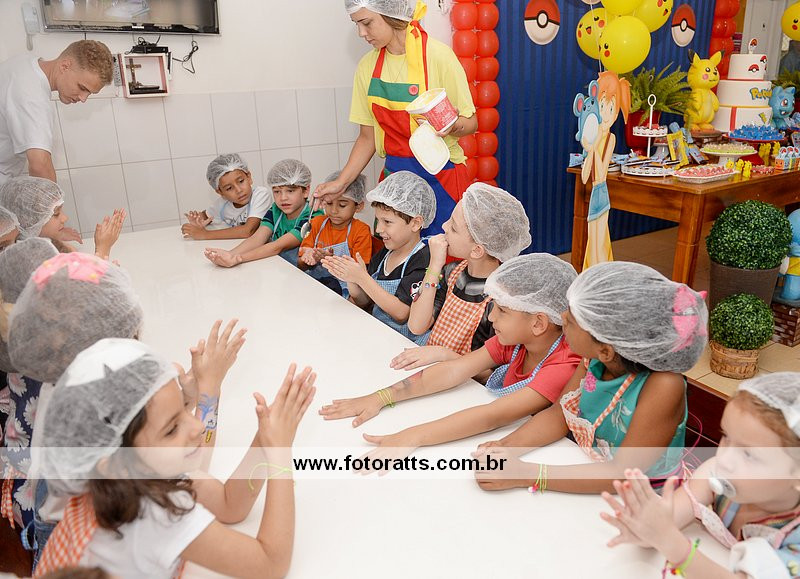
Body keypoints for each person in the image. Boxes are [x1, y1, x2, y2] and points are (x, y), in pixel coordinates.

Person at [33, 339, 316, 578]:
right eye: (171, 429)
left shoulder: (128, 477)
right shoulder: (153, 514)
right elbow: (270, 565)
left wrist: (265, 440)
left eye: (184, 408)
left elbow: (231, 505)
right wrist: (280, 452)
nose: (198, 426)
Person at [473, 261, 708, 494]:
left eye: (572, 321)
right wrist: (504, 447)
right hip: (590, 470)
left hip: (645, 498)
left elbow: (622, 474)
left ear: (606, 350)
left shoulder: (664, 386)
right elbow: (558, 415)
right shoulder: (592, 360)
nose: (562, 316)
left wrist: (527, 474)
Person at [320, 254, 581, 457]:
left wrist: (414, 436)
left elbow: (493, 416)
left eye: (502, 311)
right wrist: (381, 397)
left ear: (538, 323)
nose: (491, 317)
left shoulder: (564, 365)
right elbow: (453, 370)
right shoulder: (516, 340)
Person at [602, 373, 800, 579]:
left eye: (749, 454)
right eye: (726, 437)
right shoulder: (716, 474)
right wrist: (643, 528)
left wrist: (672, 544)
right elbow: (664, 524)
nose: (724, 459)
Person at [314, 0, 477, 236]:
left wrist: (451, 126)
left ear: (390, 14)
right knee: (397, 254)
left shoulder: (438, 57)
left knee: (444, 252)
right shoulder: (367, 67)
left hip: (442, 179)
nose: (361, 33)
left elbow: (471, 123)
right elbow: (367, 137)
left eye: (366, 23)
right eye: (356, 24)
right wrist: (341, 183)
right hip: (396, 181)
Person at [392, 183, 532, 371]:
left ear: (477, 250)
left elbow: (490, 374)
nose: (444, 226)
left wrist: (443, 354)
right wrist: (434, 266)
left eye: (454, 227)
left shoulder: (500, 300)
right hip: (436, 371)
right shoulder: (452, 272)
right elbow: (417, 326)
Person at [321, 171, 435, 343]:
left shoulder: (423, 260)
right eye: (378, 220)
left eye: (387, 222)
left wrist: (363, 278)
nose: (379, 229)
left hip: (405, 344)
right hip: (380, 335)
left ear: (415, 223)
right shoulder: (386, 253)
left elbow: (401, 313)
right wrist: (352, 279)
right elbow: (364, 301)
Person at [0, 40, 112, 187]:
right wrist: (56, 202)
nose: (83, 98)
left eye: (89, 93)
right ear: (65, 66)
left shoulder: (23, 62)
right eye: (82, 88)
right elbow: (40, 165)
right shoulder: (34, 99)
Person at [204, 159, 322, 267]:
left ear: (306, 191)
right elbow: (258, 238)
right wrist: (230, 254)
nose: (283, 198)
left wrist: (237, 258)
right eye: (277, 191)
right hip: (283, 267)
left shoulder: (313, 216)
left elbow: (278, 246)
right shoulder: (276, 210)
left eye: (290, 191)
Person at [0, 176, 126, 257]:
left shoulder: (39, 248)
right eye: (56, 214)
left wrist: (57, 239)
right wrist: (103, 249)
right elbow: (86, 287)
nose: (65, 218)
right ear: (29, 221)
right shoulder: (30, 260)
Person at [298, 171, 373, 297]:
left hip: (344, 292)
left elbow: (359, 276)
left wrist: (330, 260)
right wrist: (309, 257)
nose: (333, 210)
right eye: (329, 203)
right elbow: (300, 264)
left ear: (358, 206)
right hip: (313, 285)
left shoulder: (360, 231)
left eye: (342, 205)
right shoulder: (316, 223)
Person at [181, 153, 271, 240]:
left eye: (241, 181)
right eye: (229, 188)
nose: (239, 190)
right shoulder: (223, 203)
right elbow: (205, 215)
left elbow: (248, 231)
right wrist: (196, 222)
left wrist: (204, 234)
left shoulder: (260, 194)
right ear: (220, 192)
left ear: (249, 177)